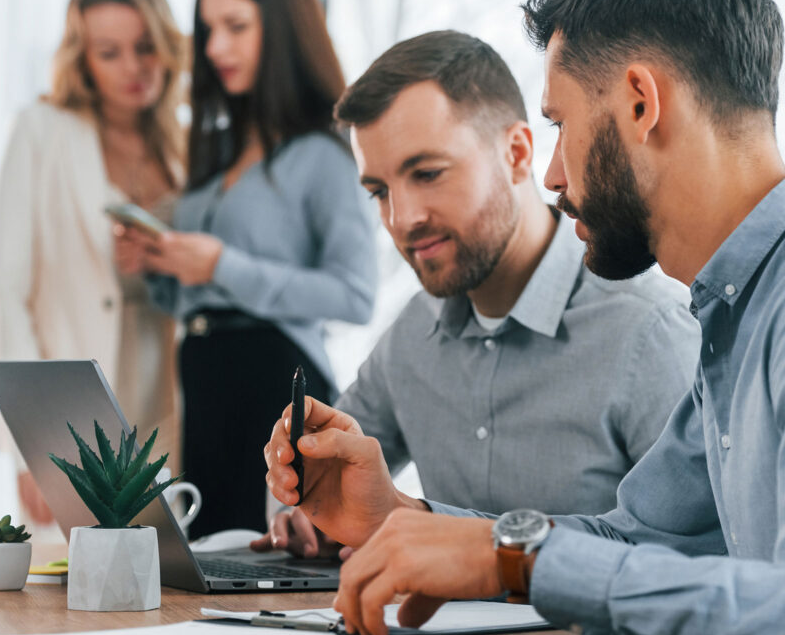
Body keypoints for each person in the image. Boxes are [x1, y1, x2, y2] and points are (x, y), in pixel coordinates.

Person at [264, 0, 785, 635]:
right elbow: (637, 538)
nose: (550, 176)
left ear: (641, 103)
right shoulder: (741, 309)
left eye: (559, 123)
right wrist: (408, 520)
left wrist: (518, 560)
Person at [253, 30, 698, 558]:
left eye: (428, 174)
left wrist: (421, 530)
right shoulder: (413, 334)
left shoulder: (650, 333)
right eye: (379, 191)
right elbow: (317, 481)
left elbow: (695, 566)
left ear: (516, 154)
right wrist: (302, 505)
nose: (402, 219)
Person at [117, 0, 376, 538]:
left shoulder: (323, 155)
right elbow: (199, 296)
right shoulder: (215, 157)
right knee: (207, 553)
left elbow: (355, 295)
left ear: (282, 31)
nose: (214, 48)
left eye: (236, 27)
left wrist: (220, 265)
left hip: (273, 376)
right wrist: (159, 267)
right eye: (208, 29)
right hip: (203, 371)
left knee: (267, 553)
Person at [0, 0, 187, 526]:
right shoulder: (41, 132)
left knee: (163, 588)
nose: (133, 67)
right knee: (69, 590)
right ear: (83, 58)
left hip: (164, 402)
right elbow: (10, 296)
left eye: (146, 47)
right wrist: (31, 444)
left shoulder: (184, 147)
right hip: (71, 411)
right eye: (110, 52)